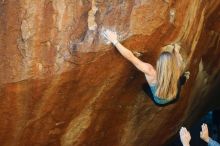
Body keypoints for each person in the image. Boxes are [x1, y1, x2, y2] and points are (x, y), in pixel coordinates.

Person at [103, 29, 189, 105]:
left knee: (145, 87)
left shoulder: (151, 72)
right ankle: (185, 78)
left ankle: (184, 78)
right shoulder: (177, 68)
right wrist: (176, 50)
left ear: (160, 64)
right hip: (174, 97)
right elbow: (178, 59)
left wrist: (115, 41)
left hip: (159, 101)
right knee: (180, 81)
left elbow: (131, 57)